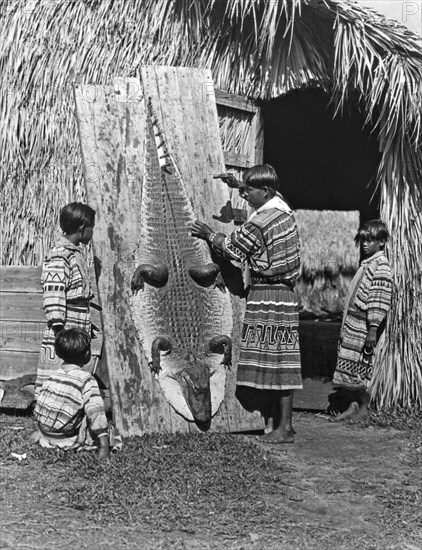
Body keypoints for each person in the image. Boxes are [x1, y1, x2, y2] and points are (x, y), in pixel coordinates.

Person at [192, 164, 302, 443]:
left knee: (276, 361)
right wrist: (238, 184)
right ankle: (279, 423)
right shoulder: (282, 209)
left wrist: (209, 234)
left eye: (250, 191)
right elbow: (257, 197)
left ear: (265, 191)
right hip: (284, 295)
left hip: (269, 295)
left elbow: (232, 246)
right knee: (280, 360)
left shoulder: (261, 221)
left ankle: (284, 428)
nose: (246, 196)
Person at [331, 219, 393, 421]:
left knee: (362, 367)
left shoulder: (381, 267)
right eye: (364, 240)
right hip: (353, 325)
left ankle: (364, 408)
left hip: (364, 327)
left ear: (382, 242)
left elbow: (379, 298)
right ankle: (352, 405)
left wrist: (373, 328)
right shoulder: (367, 264)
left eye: (371, 240)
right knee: (350, 366)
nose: (365, 244)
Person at [35, 202, 96, 396]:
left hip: (76, 325)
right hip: (64, 328)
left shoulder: (75, 254)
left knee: (74, 374)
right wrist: (60, 331)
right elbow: (54, 292)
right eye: (92, 227)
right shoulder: (60, 256)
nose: (92, 232)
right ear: (82, 227)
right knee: (60, 371)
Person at [32, 328, 110, 460]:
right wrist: (104, 447)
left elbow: (40, 405)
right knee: (104, 424)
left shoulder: (53, 376)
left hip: (45, 436)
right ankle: (100, 443)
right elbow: (96, 412)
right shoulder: (86, 379)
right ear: (87, 354)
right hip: (66, 441)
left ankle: (44, 435)